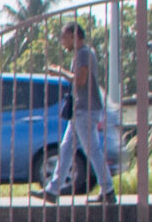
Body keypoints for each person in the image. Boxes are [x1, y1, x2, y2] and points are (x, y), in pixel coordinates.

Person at [37, 21, 118, 205]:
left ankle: (108, 190)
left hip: (86, 110)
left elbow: (80, 81)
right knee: (66, 149)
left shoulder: (83, 54)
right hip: (80, 110)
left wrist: (60, 73)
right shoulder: (81, 55)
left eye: (64, 38)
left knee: (92, 150)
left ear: (75, 36)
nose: (62, 42)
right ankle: (52, 190)